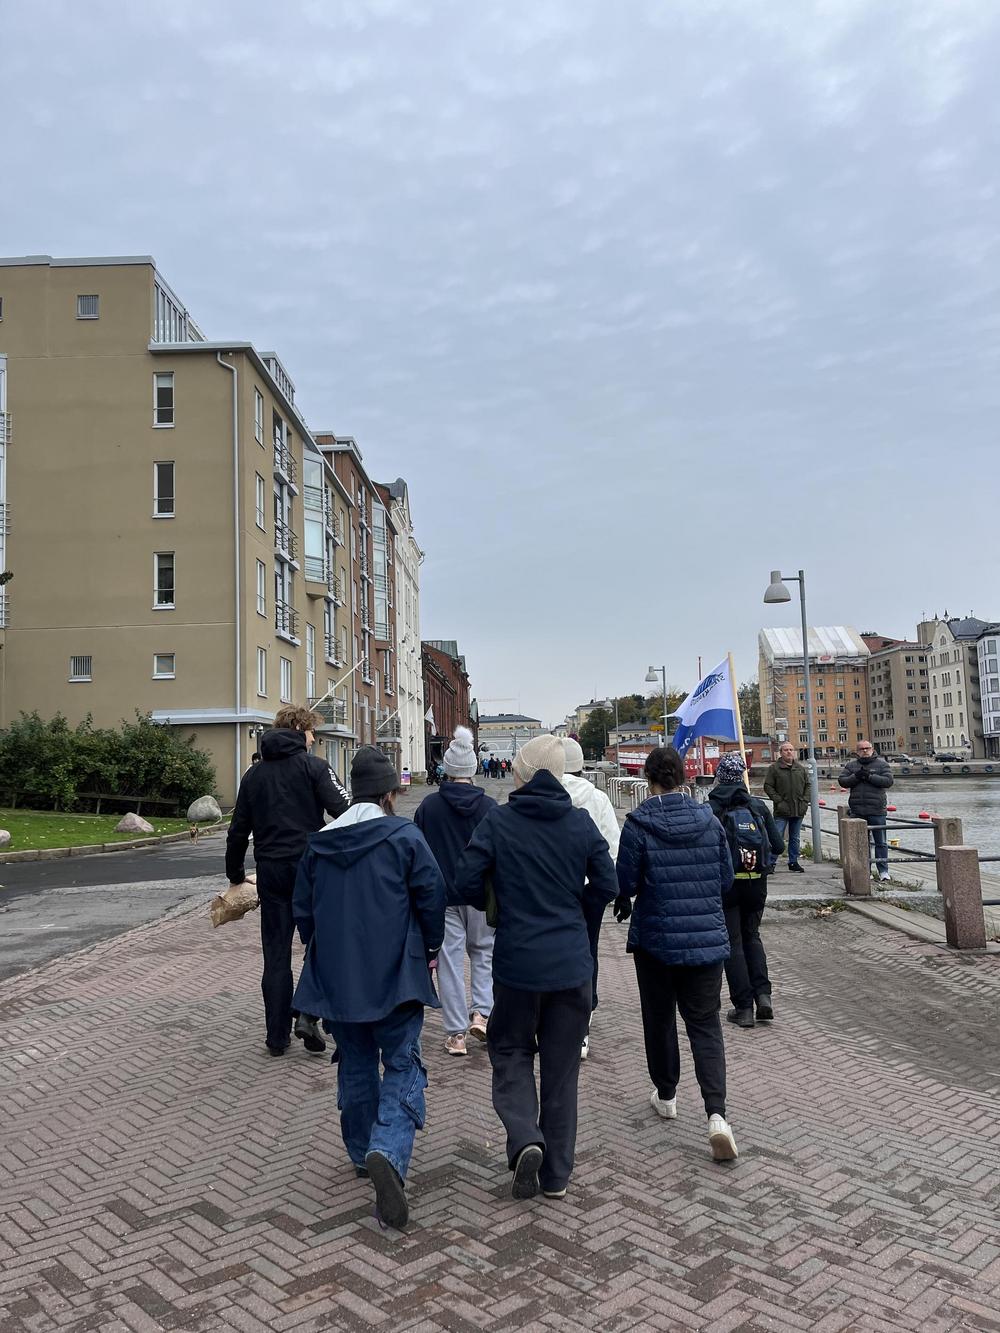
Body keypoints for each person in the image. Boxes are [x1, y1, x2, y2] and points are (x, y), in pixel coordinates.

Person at [453, 734, 617, 1201]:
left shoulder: (499, 821)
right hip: (571, 965)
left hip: (518, 963)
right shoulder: (580, 822)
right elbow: (609, 883)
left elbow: (465, 880)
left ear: (522, 774)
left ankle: (525, 1135)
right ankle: (557, 1177)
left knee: (510, 1050)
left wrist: (497, 902)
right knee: (562, 1072)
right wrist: (579, 912)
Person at [292, 746, 446, 1230]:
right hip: (396, 971)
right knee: (402, 1061)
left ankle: (363, 1152)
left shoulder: (319, 844)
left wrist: (320, 947)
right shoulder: (404, 836)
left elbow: (303, 910)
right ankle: (388, 1148)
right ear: (389, 794)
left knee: (355, 1060)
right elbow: (432, 893)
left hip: (336, 974)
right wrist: (431, 945)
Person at [614, 746, 739, 1162]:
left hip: (656, 941)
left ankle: (666, 1094)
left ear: (647, 778)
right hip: (705, 940)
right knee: (705, 1025)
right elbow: (725, 879)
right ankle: (717, 1116)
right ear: (683, 777)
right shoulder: (709, 820)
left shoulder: (638, 824)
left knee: (660, 1019)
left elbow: (627, 883)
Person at [225, 706, 349, 1057]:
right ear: (298, 729)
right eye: (311, 732)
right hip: (311, 869)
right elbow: (346, 810)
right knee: (321, 945)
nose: (313, 739)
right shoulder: (315, 768)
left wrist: (236, 875)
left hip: (271, 871)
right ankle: (308, 1014)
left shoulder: (254, 775)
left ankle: (276, 1037)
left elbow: (237, 831)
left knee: (276, 954)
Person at [413, 726, 497, 1057]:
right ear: (473, 768)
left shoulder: (428, 807)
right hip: (481, 894)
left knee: (448, 961)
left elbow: (419, 853)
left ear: (446, 768)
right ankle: (482, 1014)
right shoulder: (490, 807)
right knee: (484, 953)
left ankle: (456, 1033)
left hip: (443, 895)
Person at [708, 752, 784, 1029]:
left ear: (719, 776)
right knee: (752, 936)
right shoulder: (757, 806)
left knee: (733, 942)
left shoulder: (711, 808)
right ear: (741, 776)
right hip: (756, 883)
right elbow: (778, 846)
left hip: (727, 885)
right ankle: (763, 996)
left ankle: (743, 1008)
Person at [559, 737, 620, 1060]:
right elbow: (613, 845)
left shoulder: (547, 798)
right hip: (590, 888)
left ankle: (551, 1018)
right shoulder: (598, 798)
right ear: (582, 766)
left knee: (554, 949)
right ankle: (583, 1021)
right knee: (588, 951)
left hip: (554, 888)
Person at [838, 740, 894, 883]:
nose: (864, 751)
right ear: (857, 751)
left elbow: (888, 781)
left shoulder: (882, 764)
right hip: (857, 810)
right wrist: (856, 776)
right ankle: (865, 870)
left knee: (881, 842)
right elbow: (842, 781)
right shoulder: (851, 766)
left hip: (877, 809)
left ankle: (883, 871)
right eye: (861, 749)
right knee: (861, 843)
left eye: (867, 748)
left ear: (872, 749)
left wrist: (869, 776)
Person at [763, 742, 811, 873]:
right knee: (777, 836)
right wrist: (779, 801)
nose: (789, 752)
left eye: (791, 749)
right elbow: (768, 786)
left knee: (795, 837)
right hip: (782, 810)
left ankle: (793, 862)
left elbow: (808, 786)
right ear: (781, 752)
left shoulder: (800, 768)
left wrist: (805, 801)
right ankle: (771, 862)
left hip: (798, 808)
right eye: (786, 750)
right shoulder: (774, 768)